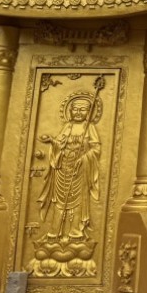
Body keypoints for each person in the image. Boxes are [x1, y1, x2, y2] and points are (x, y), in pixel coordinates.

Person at [38, 94, 101, 240]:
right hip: (62, 168)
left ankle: (75, 232)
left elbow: (96, 149)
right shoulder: (67, 126)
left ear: (88, 112)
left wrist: (84, 158)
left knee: (78, 202)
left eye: (82, 109)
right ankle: (55, 231)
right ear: (70, 111)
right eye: (75, 109)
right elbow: (60, 144)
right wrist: (52, 141)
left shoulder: (89, 127)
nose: (78, 112)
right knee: (59, 201)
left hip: (80, 170)